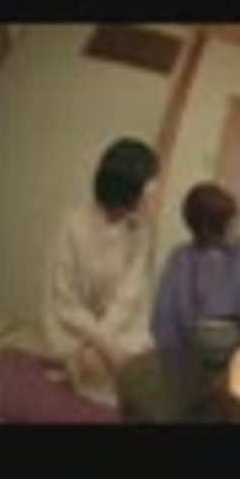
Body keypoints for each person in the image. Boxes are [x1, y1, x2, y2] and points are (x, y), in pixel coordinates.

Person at [118, 182, 240, 422]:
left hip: (235, 359)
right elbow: (165, 317)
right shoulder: (181, 257)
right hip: (188, 358)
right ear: (209, 226)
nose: (238, 225)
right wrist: (174, 361)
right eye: (231, 221)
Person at [41, 138, 159, 406]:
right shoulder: (71, 227)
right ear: (126, 190)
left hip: (120, 329)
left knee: (138, 373)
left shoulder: (141, 231)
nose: (154, 192)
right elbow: (65, 303)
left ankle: (85, 372)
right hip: (75, 332)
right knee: (94, 367)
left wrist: (107, 344)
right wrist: (102, 345)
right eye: (150, 185)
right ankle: (79, 370)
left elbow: (129, 297)